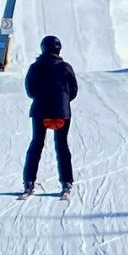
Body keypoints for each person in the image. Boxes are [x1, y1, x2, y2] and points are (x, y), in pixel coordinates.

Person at [22, 35, 78, 197]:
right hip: (62, 111)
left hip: (40, 110)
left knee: (36, 143)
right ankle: (66, 182)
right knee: (61, 145)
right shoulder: (66, 67)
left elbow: (30, 91)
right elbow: (73, 91)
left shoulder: (35, 67)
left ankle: (29, 182)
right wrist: (63, 101)